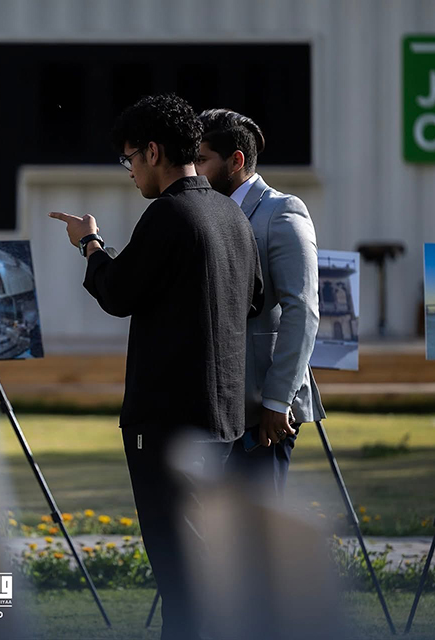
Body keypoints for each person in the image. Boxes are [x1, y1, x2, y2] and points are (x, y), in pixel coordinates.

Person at [50, 94, 264, 640]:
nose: (130, 172)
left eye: (129, 159)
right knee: (206, 569)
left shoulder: (168, 213)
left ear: (152, 151)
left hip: (168, 421)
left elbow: (118, 293)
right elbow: (254, 298)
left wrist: (90, 244)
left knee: (180, 574)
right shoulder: (230, 213)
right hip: (223, 416)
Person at [195, 108, 326, 498]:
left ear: (235, 161)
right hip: (216, 407)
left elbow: (302, 309)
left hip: (264, 413)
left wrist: (277, 400)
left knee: (257, 529)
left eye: (201, 160)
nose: (193, 170)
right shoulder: (204, 210)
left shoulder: (281, 211)